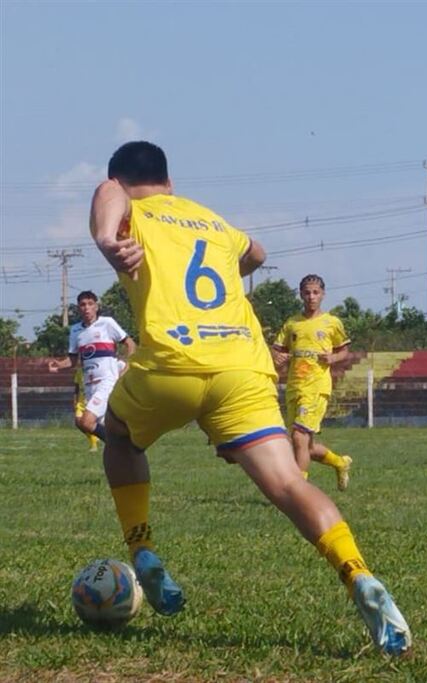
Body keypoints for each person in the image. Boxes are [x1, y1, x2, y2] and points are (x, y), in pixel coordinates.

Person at [89, 141, 410, 656]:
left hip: (172, 361)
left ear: (125, 183)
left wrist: (108, 238)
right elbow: (257, 254)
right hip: (244, 365)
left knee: (119, 436)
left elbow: (108, 192)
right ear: (170, 182)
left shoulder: (126, 207)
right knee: (287, 483)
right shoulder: (211, 221)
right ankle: (359, 575)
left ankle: (142, 546)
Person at [271, 274, 354, 491]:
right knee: (303, 446)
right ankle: (340, 462)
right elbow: (277, 349)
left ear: (323, 294)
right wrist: (276, 356)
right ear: (300, 294)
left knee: (299, 437)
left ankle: (298, 491)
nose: (311, 297)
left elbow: (344, 350)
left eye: (315, 292)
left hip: (317, 387)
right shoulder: (292, 324)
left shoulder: (331, 323)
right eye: (307, 292)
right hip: (294, 387)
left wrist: (333, 358)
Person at [48, 291, 136, 444]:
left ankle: (121, 445)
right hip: (90, 385)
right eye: (83, 305)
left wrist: (126, 368)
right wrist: (59, 365)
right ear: (78, 308)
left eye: (90, 304)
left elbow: (130, 344)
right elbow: (73, 360)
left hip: (107, 381)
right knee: (93, 425)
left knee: (86, 421)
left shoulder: (107, 323)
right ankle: (123, 446)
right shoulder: (76, 330)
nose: (86, 308)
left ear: (96, 306)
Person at [72, 367, 99, 452]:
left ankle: (93, 444)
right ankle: (95, 437)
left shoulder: (95, 370)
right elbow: (76, 388)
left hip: (91, 400)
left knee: (86, 423)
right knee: (78, 423)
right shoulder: (79, 371)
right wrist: (74, 400)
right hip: (81, 402)